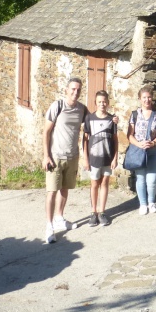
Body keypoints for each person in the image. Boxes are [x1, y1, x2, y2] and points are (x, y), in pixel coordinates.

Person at [42, 77, 86, 244]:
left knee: (65, 189)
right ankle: (49, 226)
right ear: (66, 90)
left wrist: (113, 119)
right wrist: (46, 156)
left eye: (78, 90)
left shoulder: (82, 109)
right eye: (73, 89)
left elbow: (94, 120)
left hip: (72, 156)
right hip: (55, 156)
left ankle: (60, 218)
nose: (75, 92)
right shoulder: (57, 106)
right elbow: (46, 132)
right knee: (51, 191)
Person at [127, 85, 156, 214]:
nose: (147, 100)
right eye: (144, 97)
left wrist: (154, 143)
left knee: (152, 180)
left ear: (152, 98)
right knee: (141, 179)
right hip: (139, 151)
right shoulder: (134, 115)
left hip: (155, 151)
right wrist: (139, 144)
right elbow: (130, 135)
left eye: (149, 97)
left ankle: (151, 202)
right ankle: (143, 204)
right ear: (139, 99)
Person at [82, 90, 118, 227]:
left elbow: (115, 140)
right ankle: (93, 213)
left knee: (104, 183)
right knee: (94, 184)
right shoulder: (89, 119)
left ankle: (102, 212)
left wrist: (115, 158)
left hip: (107, 158)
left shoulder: (112, 119)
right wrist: (85, 159)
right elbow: (84, 140)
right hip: (94, 158)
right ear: (95, 103)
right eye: (99, 102)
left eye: (104, 101)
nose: (102, 104)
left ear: (108, 103)